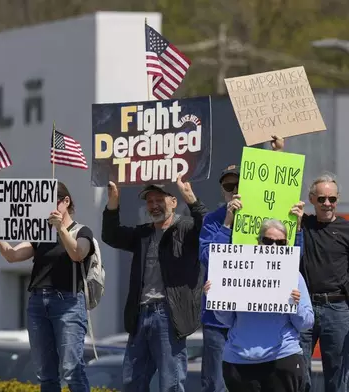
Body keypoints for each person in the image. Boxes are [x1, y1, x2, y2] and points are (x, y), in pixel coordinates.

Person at [0, 182, 93, 392]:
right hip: (38, 304)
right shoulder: (42, 233)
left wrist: (61, 229)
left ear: (65, 202)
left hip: (67, 303)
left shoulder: (81, 231)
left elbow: (78, 253)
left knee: (72, 368)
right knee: (45, 372)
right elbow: (12, 255)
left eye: (50, 203)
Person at [101, 175, 207, 392]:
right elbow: (111, 235)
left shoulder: (186, 229)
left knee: (171, 383)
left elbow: (207, 229)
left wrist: (192, 200)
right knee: (133, 382)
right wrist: (113, 201)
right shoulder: (143, 233)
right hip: (140, 315)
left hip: (169, 316)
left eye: (160, 199)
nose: (154, 205)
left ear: (173, 202)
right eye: (150, 201)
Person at [198, 135, 285, 392]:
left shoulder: (266, 220)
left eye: (240, 185)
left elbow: (284, 256)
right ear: (223, 190)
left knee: (255, 384)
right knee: (215, 385)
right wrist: (227, 223)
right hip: (217, 319)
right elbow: (207, 259)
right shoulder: (213, 220)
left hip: (254, 317)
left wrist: (277, 154)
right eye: (229, 186)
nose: (235, 191)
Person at [202, 200, 313, 392]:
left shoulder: (294, 276)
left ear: (286, 244)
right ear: (259, 242)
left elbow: (306, 324)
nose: (273, 247)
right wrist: (216, 298)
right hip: (239, 361)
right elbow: (226, 320)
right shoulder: (238, 273)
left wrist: (295, 305)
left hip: (281, 358)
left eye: (279, 243)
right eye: (268, 241)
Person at [299, 173, 349, 392]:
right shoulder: (303, 223)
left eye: (332, 199)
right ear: (311, 199)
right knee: (298, 373)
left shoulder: (347, 229)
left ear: (337, 199)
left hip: (337, 309)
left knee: (337, 377)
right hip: (303, 306)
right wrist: (278, 152)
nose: (327, 204)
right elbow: (279, 189)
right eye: (321, 199)